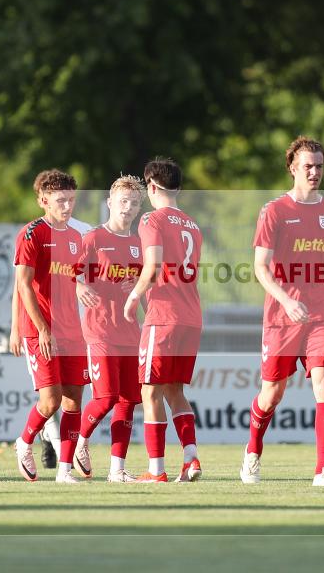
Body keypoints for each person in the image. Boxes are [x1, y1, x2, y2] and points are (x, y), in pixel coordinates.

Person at [241, 136, 324, 487]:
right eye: (308, 166)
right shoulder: (275, 211)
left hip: (321, 316)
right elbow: (260, 267)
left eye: (319, 165)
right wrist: (286, 300)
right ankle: (253, 452)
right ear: (292, 168)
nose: (314, 172)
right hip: (281, 317)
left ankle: (323, 471)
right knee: (272, 392)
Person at [122, 157, 203, 483]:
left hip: (163, 318)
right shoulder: (193, 225)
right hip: (191, 317)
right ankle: (191, 459)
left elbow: (153, 266)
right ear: (179, 188)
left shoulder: (151, 221)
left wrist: (132, 297)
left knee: (149, 391)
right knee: (174, 390)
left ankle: (156, 470)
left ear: (151, 186)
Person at [12, 169, 91, 483]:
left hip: (73, 331)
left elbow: (72, 283)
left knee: (74, 401)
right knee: (51, 401)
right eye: (60, 200)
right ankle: (25, 441)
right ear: (43, 200)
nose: (67, 206)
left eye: (71, 199)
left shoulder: (75, 237)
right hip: (40, 330)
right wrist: (42, 328)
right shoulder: (32, 234)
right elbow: (24, 285)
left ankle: (65, 470)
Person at [72, 175, 146, 483]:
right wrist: (79, 287)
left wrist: (140, 291)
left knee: (129, 400)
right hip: (100, 331)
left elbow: (146, 286)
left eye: (134, 203)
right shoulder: (94, 239)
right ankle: (80, 441)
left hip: (131, 332)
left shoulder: (140, 244)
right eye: (123, 202)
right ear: (110, 203)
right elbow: (72, 274)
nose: (127, 208)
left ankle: (117, 470)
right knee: (106, 398)